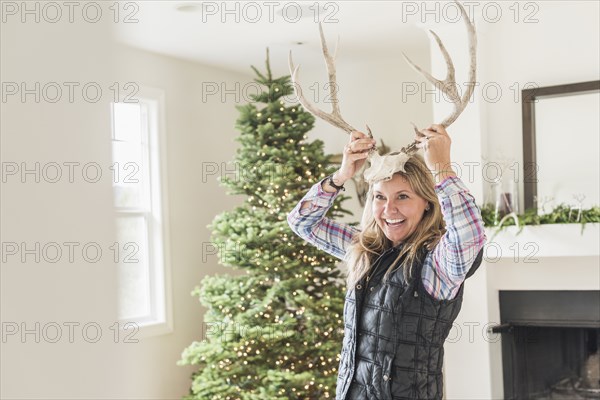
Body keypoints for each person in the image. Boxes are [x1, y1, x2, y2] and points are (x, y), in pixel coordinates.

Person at [287, 125, 486, 400]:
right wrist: (341, 175)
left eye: (402, 196)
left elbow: (469, 235)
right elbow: (302, 222)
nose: (389, 210)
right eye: (380, 197)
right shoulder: (366, 250)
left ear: (426, 203)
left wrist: (442, 168)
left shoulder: (435, 263)